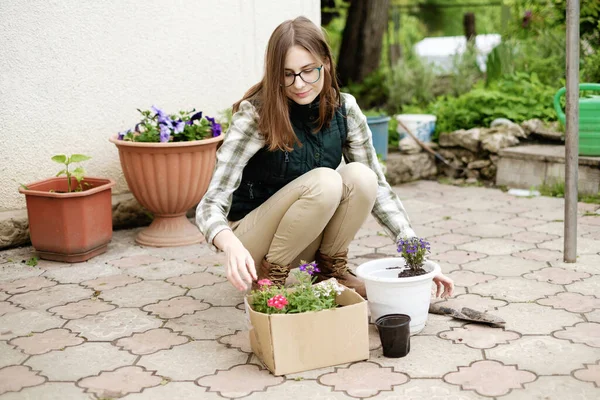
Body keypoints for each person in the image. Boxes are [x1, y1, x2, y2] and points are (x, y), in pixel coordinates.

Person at [196, 16, 454, 299]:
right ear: (274, 73)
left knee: (362, 177)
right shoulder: (256, 114)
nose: (299, 83)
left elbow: (378, 189)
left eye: (309, 70)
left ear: (326, 64)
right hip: (251, 243)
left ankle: (330, 272)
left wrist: (416, 257)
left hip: (304, 239)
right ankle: (271, 279)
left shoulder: (345, 109)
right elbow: (209, 205)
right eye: (287, 74)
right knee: (326, 181)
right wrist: (231, 245)